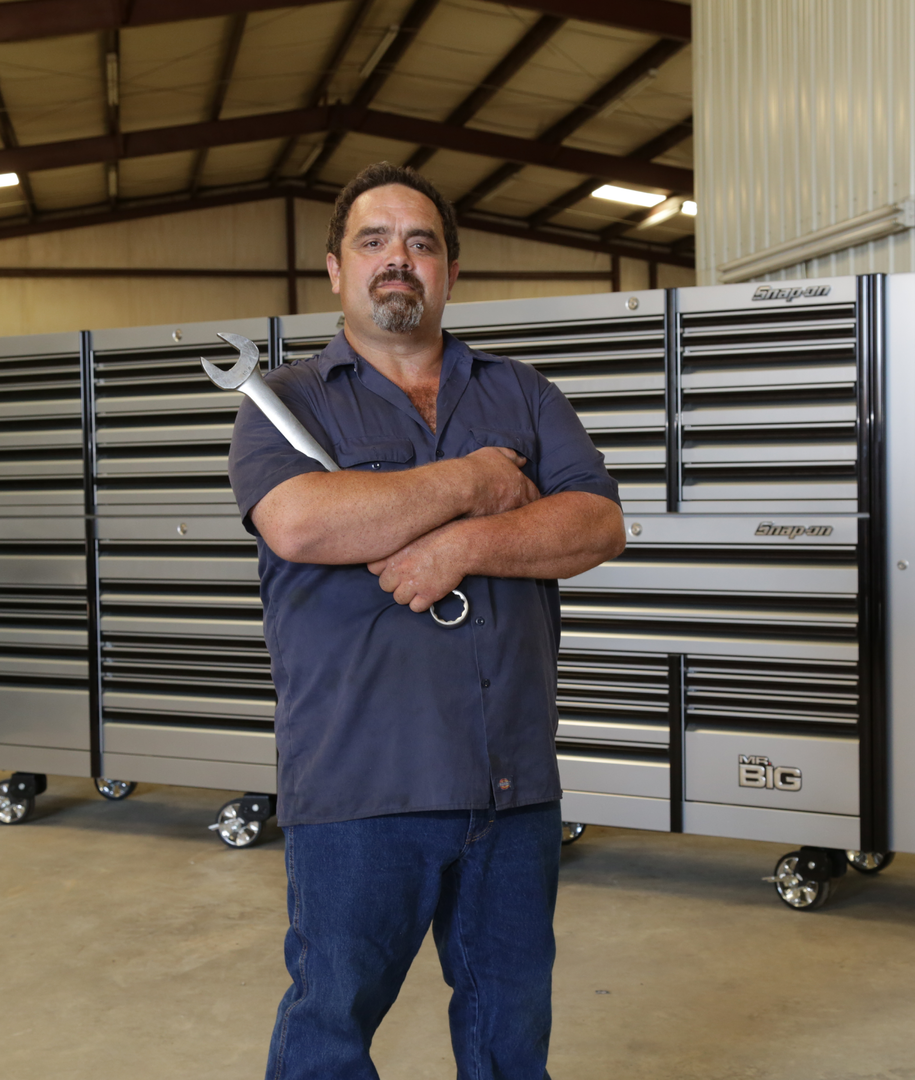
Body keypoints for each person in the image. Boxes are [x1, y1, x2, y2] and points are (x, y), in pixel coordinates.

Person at [226, 161, 627, 1080]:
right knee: (330, 1028)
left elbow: (595, 522)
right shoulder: (283, 404)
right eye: (373, 242)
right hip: (363, 782)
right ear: (335, 271)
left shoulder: (522, 393)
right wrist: (477, 482)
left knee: (509, 1038)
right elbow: (300, 520)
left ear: (449, 269)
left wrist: (457, 548)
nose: (396, 260)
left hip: (510, 781)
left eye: (420, 243)